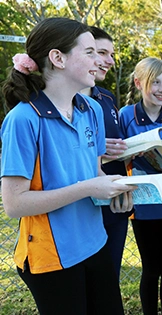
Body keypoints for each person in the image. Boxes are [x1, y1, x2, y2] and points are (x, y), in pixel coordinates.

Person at [1, 17, 135, 315]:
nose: (100, 60)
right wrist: (88, 188)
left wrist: (114, 191)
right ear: (57, 58)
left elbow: (93, 171)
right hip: (50, 256)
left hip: (96, 242)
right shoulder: (23, 120)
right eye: (90, 52)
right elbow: (14, 204)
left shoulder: (92, 110)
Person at [120, 57, 162, 315]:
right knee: (150, 269)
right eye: (155, 83)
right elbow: (118, 156)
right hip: (144, 203)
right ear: (139, 83)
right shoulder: (126, 115)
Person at [79, 26, 132, 277]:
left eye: (111, 54)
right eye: (101, 52)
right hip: (81, 205)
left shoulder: (107, 99)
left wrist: (128, 150)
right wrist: (99, 153)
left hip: (114, 203)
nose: (109, 61)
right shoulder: (51, 106)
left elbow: (116, 143)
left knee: (110, 278)